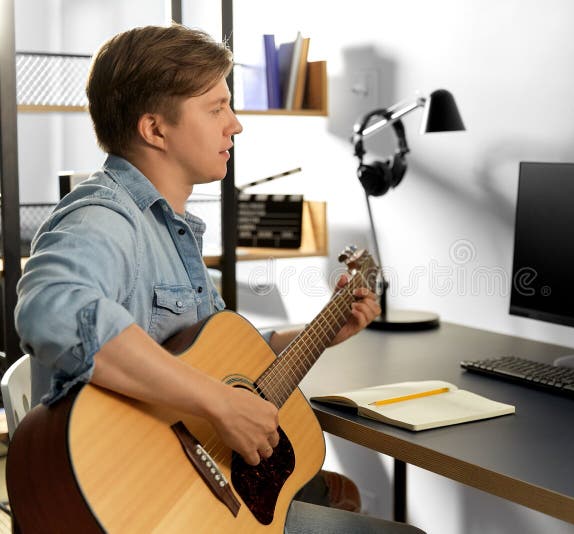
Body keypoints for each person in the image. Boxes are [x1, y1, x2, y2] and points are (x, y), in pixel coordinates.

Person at [15, 24, 424, 534]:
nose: (236, 125)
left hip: (196, 495)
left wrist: (319, 333)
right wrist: (217, 403)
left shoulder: (172, 228)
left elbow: (224, 363)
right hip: (144, 502)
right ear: (155, 129)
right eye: (216, 107)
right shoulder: (104, 217)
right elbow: (52, 308)